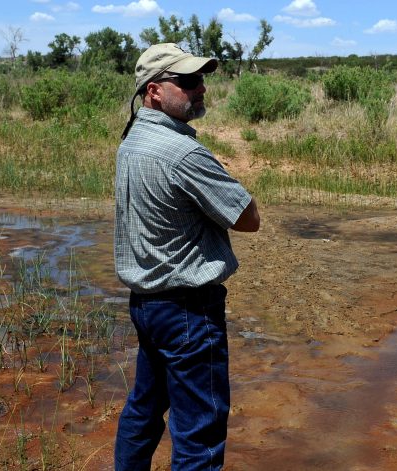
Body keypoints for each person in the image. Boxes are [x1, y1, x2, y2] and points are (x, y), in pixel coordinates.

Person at [113, 43, 260, 471]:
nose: (200, 89)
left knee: (144, 409)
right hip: (187, 312)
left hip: (148, 306)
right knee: (200, 431)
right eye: (188, 81)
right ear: (155, 91)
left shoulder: (133, 141)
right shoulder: (183, 154)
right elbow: (247, 218)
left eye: (201, 79)